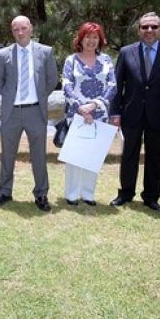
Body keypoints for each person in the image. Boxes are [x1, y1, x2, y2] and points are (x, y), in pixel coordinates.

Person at [109, 12, 160, 211]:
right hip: (131, 113)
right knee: (128, 156)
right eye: (145, 27)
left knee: (156, 157)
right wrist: (115, 112)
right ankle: (126, 193)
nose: (149, 30)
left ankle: (151, 196)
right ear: (139, 30)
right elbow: (117, 85)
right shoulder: (126, 52)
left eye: (154, 27)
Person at [0, 15, 59, 212]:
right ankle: (4, 191)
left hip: (35, 111)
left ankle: (41, 194)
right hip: (11, 112)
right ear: (12, 32)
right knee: (7, 154)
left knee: (39, 155)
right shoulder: (3, 54)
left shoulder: (45, 52)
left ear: (31, 28)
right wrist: (12, 97)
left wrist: (38, 96)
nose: (20, 33)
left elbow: (52, 79)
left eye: (23, 28)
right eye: (15, 29)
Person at [60, 22, 116, 206]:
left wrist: (94, 105)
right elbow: (66, 85)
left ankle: (88, 193)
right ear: (81, 38)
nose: (91, 41)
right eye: (88, 37)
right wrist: (82, 108)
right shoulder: (71, 60)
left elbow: (112, 86)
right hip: (77, 114)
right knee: (75, 156)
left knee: (93, 156)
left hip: (99, 114)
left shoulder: (106, 60)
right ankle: (71, 193)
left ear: (100, 40)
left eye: (95, 37)